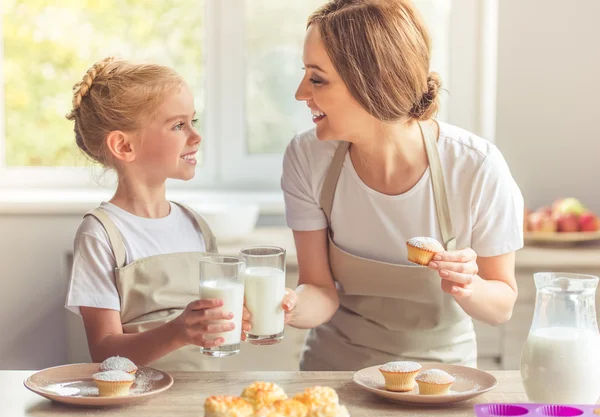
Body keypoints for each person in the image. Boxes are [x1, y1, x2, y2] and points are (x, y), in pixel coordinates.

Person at [280, 0, 524, 371]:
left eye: (317, 78)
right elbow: (319, 288)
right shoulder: (307, 156)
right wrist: (284, 307)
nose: (301, 92)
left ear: (373, 83)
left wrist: (467, 285)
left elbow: (502, 304)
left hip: (442, 381)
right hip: (332, 378)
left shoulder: (475, 167)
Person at [64, 57, 296, 371]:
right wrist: (178, 331)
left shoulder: (195, 226)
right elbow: (104, 353)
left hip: (206, 395)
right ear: (124, 145)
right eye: (178, 125)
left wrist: (248, 312)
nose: (195, 136)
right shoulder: (101, 234)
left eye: (193, 122)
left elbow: (217, 329)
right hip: (139, 403)